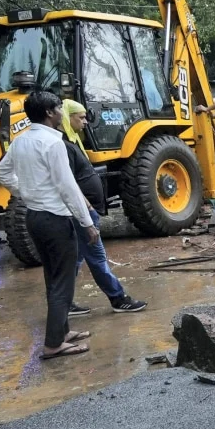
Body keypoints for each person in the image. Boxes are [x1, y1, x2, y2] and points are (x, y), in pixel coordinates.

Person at [0, 91, 96, 359]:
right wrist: (87, 223)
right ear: (50, 113)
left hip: (35, 217)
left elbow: (1, 173)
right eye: (60, 108)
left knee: (53, 277)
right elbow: (67, 186)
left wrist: (26, 192)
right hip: (55, 219)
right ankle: (53, 344)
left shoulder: (21, 141)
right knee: (63, 282)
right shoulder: (53, 144)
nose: (62, 112)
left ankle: (62, 332)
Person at [61, 100, 147, 315]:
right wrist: (86, 205)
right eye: (80, 118)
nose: (85, 122)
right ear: (67, 118)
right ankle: (118, 299)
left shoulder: (73, 142)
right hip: (83, 212)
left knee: (76, 257)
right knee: (97, 257)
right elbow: (68, 181)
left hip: (84, 210)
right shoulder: (63, 146)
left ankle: (64, 302)